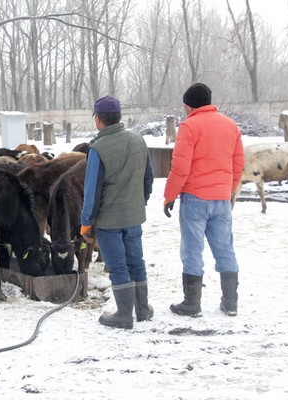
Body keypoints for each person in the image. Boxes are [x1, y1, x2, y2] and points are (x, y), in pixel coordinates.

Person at [164, 82, 244, 318]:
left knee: (192, 250)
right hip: (221, 199)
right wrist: (227, 191)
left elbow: (180, 167)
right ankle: (230, 303)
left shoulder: (189, 126)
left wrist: (169, 196)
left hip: (195, 199)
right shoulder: (231, 126)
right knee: (225, 249)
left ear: (188, 105)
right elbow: (238, 163)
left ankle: (192, 303)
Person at [80, 95, 154, 329]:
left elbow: (92, 192)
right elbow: (148, 179)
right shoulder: (138, 140)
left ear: (98, 119)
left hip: (109, 221)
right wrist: (139, 202)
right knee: (136, 262)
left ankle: (124, 314)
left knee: (118, 266)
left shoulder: (97, 149)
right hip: (134, 217)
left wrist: (85, 223)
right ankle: (142, 309)